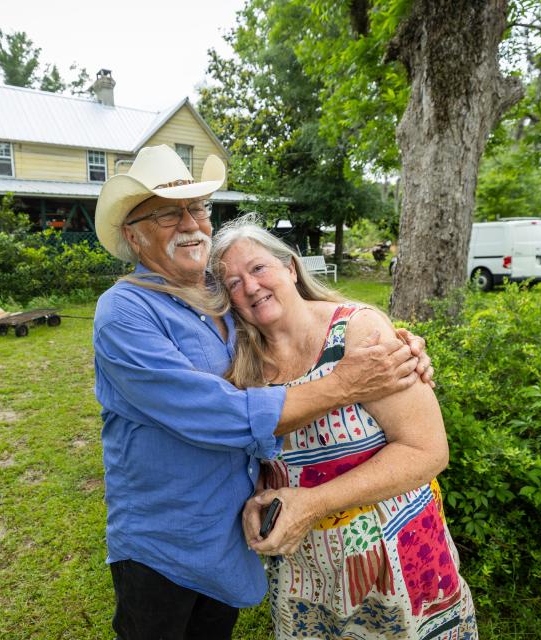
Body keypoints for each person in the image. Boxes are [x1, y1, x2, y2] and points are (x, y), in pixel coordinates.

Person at [92, 144, 434, 640]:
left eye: (198, 208)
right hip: (161, 545)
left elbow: (298, 317)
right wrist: (343, 385)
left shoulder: (221, 305)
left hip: (228, 541)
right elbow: (214, 413)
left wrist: (398, 344)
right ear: (134, 235)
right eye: (168, 214)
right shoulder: (124, 312)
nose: (191, 223)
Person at [209, 215, 477, 639]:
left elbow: (428, 450)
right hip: (306, 575)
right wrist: (258, 501)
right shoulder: (243, 370)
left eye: (257, 268)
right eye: (233, 284)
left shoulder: (359, 332)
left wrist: (313, 504)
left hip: (398, 562)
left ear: (290, 268)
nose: (251, 286)